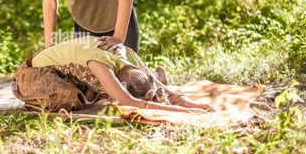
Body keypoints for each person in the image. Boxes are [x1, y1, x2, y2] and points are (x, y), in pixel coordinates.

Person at [30, 35, 216, 113]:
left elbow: (152, 86)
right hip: (35, 72)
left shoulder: (127, 55)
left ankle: (157, 76)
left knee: (102, 90)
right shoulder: (100, 64)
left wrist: (188, 102)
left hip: (76, 65)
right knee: (72, 100)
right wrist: (185, 111)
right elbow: (130, 101)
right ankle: (158, 74)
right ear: (123, 86)